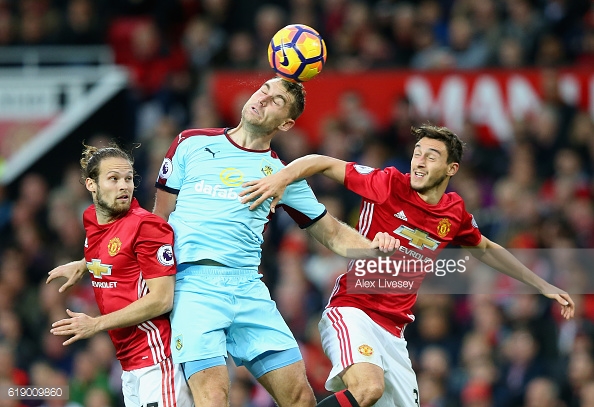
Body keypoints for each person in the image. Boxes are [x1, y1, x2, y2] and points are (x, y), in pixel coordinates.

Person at [239, 124, 576, 407]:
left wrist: (542, 285)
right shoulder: (388, 183)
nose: (419, 161)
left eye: (431, 156)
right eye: (417, 153)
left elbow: (486, 248)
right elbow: (321, 162)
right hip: (353, 310)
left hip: (395, 332)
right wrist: (280, 179)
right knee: (367, 388)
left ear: (451, 169)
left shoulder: (453, 212)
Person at [151, 76, 397, 407]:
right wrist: (152, 282)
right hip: (193, 286)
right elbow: (158, 219)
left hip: (248, 287)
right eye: (264, 90)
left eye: (277, 101)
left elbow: (332, 233)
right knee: (212, 397)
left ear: (287, 123)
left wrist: (374, 251)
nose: (264, 99)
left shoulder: (282, 174)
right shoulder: (190, 142)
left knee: (299, 399)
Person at [46, 144, 193, 407]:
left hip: (158, 359)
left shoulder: (147, 226)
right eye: (113, 179)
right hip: (128, 364)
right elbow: (112, 247)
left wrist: (95, 324)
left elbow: (162, 300)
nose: (124, 186)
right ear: (92, 185)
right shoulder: (91, 218)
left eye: (128, 179)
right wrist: (85, 263)